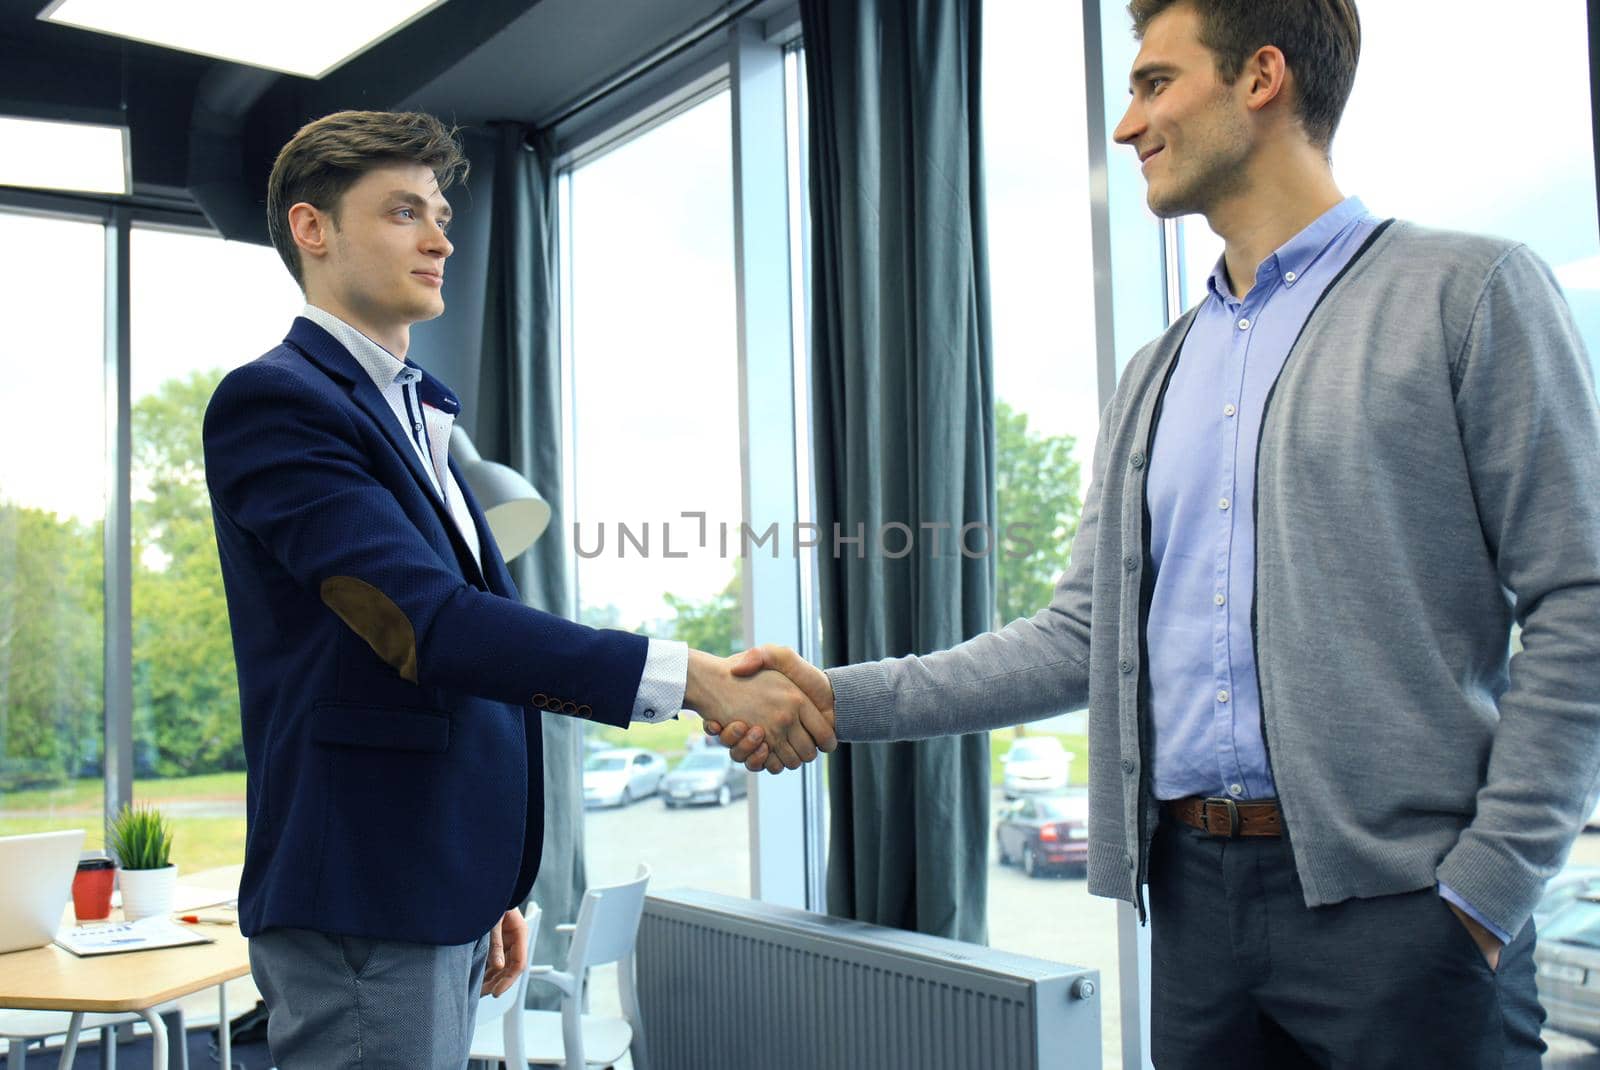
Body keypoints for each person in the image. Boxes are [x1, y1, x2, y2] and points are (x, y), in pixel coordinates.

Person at [711, 1, 1600, 1065]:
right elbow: (1078, 639)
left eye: (1153, 83)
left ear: (1260, 78)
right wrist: (832, 699)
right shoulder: (1153, 373)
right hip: (1192, 912)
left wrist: (1489, 884)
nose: (1128, 126)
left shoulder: (1470, 292)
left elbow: (1580, 596)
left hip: (1406, 914)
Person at [203, 110, 832, 1068]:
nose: (441, 238)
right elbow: (428, 629)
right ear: (312, 228)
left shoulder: (418, 416)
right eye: (405, 212)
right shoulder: (276, 403)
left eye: (443, 214)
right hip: (366, 896)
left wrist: (488, 879)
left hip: (432, 888)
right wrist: (694, 677)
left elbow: (456, 679)